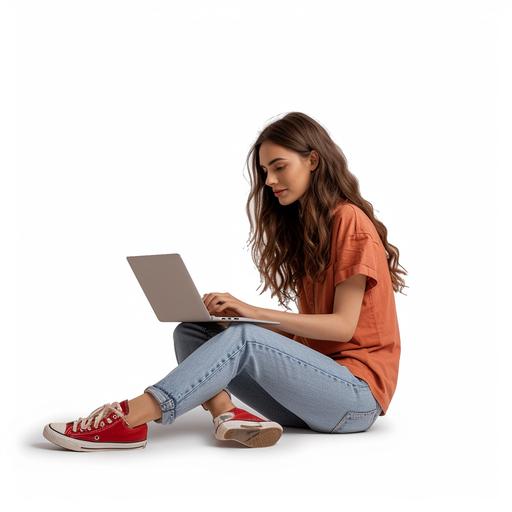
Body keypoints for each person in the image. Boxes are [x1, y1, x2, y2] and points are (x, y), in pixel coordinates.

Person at [42, 111, 407, 451]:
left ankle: (130, 418)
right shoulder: (310, 232)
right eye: (265, 171)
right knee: (193, 332)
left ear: (313, 160)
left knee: (245, 336)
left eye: (280, 167)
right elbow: (309, 338)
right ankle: (228, 415)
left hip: (356, 399)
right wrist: (236, 320)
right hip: (309, 398)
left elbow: (343, 328)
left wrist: (250, 315)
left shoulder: (349, 220)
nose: (271, 181)